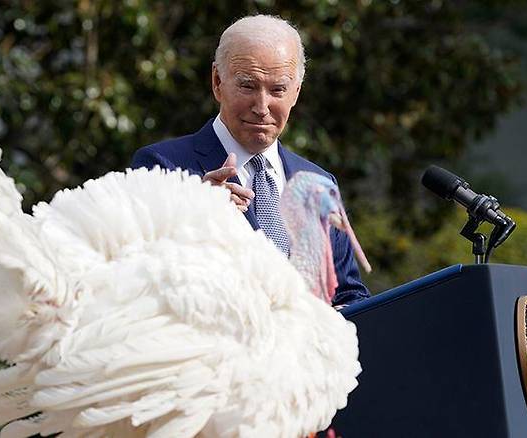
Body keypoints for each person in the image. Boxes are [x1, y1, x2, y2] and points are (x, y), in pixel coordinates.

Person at [131, 15, 369, 306]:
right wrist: (193, 216)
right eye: (248, 86)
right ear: (218, 82)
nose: (261, 107)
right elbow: (135, 280)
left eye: (278, 89)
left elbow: (348, 295)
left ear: (296, 92)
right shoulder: (163, 167)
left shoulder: (317, 184)